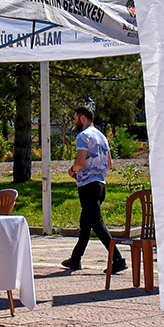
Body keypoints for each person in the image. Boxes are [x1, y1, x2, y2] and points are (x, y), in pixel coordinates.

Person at [60, 107, 125, 274]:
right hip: (101, 185)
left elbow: (80, 162)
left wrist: (72, 170)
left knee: (97, 224)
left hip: (87, 186)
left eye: (75, 119)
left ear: (82, 118)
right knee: (86, 223)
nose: (74, 122)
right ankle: (75, 259)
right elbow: (109, 164)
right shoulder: (102, 136)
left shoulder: (83, 136)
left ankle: (117, 259)